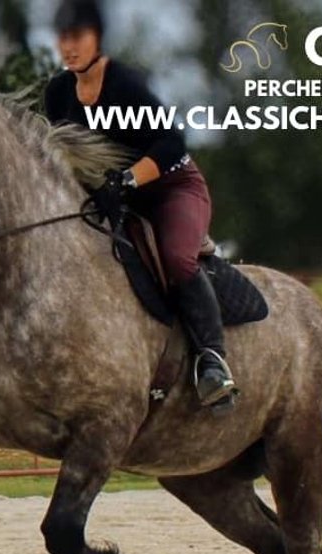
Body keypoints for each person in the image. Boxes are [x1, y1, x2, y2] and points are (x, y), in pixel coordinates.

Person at [45, 0, 238, 409]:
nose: (69, 47)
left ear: (98, 39)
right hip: (111, 198)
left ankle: (213, 361)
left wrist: (127, 179)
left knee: (176, 258)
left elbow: (171, 144)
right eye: (63, 38)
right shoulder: (58, 93)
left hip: (171, 188)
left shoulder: (126, 86)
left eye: (77, 37)